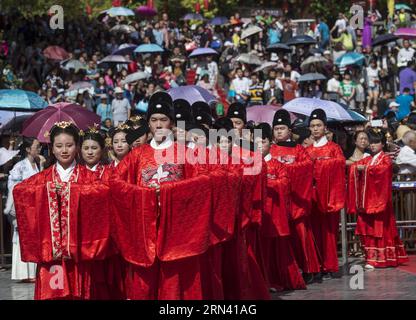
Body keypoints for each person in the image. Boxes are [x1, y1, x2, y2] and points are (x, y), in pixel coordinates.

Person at [109, 92, 239, 300]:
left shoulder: (185, 152)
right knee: (145, 278)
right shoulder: (137, 155)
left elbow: (206, 179)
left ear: (171, 122)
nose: (159, 124)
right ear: (148, 123)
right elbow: (115, 182)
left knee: (176, 277)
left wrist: (173, 192)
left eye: (163, 119)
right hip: (146, 225)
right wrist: (144, 194)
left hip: (179, 227)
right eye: (154, 120)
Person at [13, 122, 113, 299]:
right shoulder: (42, 179)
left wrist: (71, 192)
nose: (64, 150)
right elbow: (20, 191)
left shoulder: (90, 178)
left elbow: (104, 192)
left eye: (69, 145)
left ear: (77, 147)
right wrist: (48, 191)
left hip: (79, 253)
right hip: (51, 254)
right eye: (59, 146)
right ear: (51, 148)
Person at [270, 110, 321, 284]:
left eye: (282, 128)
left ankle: (308, 269)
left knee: (301, 236)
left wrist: (286, 169)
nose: (278, 131)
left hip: (296, 200)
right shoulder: (270, 149)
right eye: (276, 128)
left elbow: (307, 167)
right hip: (278, 201)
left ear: (289, 130)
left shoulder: (299, 149)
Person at [254, 122, 306, 291]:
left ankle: (274, 280)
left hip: (274, 214)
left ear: (270, 142)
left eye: (263, 142)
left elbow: (284, 184)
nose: (259, 146)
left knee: (274, 251)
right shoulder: (249, 164)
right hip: (257, 213)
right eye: (256, 142)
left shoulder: (278, 165)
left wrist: (266, 182)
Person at [347, 128, 409, 269]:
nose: (373, 145)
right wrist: (355, 168)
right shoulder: (369, 158)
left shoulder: (385, 159)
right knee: (369, 231)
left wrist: (367, 170)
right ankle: (371, 258)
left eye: (376, 142)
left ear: (382, 144)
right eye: (371, 142)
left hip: (380, 202)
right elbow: (355, 166)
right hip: (368, 201)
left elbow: (383, 171)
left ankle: (382, 259)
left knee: (381, 230)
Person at [306, 109, 346, 279]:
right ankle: (316, 264)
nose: (315, 129)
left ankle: (329, 264)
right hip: (313, 197)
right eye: (313, 126)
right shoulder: (306, 150)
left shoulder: (334, 148)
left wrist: (320, 164)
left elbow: (340, 163)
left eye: (318, 125)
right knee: (314, 231)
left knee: (329, 232)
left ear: (325, 127)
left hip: (329, 196)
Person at [4, 138, 43, 282]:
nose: (39, 149)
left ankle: (33, 273)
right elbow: (12, 185)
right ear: (28, 149)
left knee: (34, 238)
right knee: (22, 238)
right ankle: (23, 274)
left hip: (35, 207)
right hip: (24, 207)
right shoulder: (20, 166)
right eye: (36, 147)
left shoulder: (37, 165)